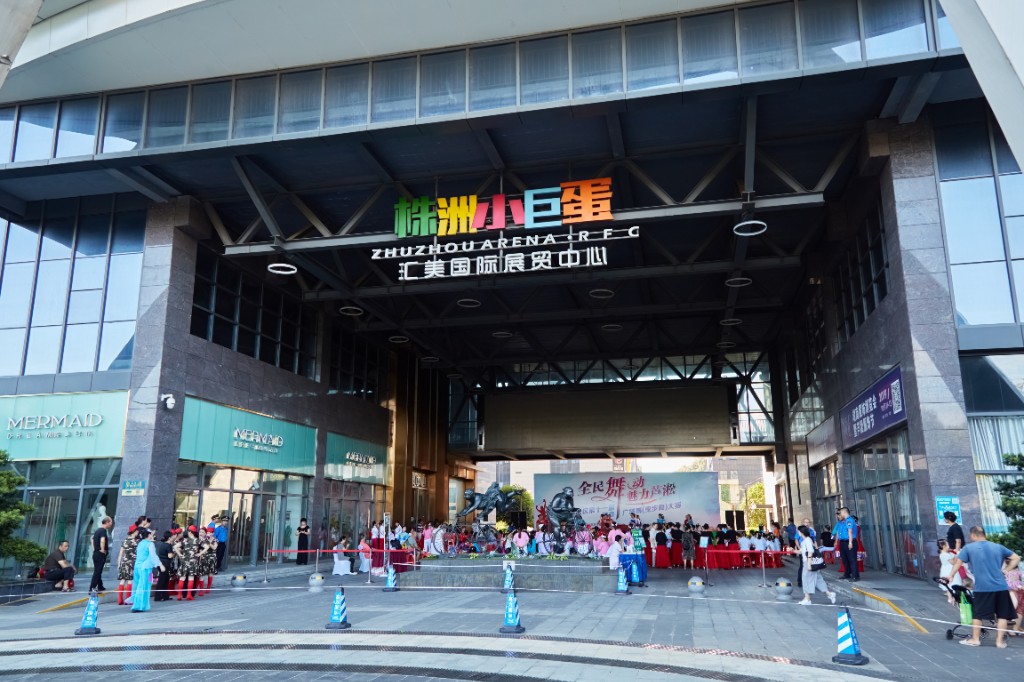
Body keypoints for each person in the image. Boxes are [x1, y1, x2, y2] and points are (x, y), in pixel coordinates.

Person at [948, 526, 1020, 648]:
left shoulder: (969, 548)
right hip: (1001, 587)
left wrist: (951, 576)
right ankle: (999, 642)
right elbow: (1016, 558)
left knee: (978, 614)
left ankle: (975, 639)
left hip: (983, 587)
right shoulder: (998, 547)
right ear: (984, 534)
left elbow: (958, 563)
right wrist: (1006, 570)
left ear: (973, 535)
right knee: (1002, 615)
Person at [127, 528, 165, 612]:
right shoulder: (150, 544)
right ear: (148, 535)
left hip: (138, 567)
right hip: (145, 568)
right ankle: (139, 606)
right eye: (151, 534)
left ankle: (139, 605)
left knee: (137, 586)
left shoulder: (140, 543)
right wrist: (160, 565)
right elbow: (153, 556)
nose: (153, 535)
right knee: (144, 586)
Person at [797, 525, 836, 606]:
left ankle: (807, 599)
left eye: (798, 531)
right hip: (812, 563)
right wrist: (794, 551)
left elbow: (810, 551)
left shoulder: (807, 540)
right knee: (818, 580)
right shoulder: (807, 540)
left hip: (808, 562)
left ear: (801, 532)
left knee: (806, 580)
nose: (798, 533)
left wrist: (808, 564)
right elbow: (803, 551)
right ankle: (829, 594)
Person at [116, 525, 140, 605]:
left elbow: (120, 554)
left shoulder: (125, 541)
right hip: (132, 563)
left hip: (124, 562)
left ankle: (120, 600)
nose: (138, 533)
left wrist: (119, 564)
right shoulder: (135, 542)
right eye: (137, 531)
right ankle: (128, 598)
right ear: (134, 532)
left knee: (122, 580)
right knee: (130, 581)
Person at [89, 516, 112, 593]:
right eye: (110, 522)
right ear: (107, 522)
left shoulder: (97, 530)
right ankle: (92, 588)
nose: (111, 524)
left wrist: (95, 549)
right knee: (97, 571)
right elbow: (102, 540)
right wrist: (102, 549)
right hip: (100, 554)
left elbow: (92, 540)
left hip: (96, 553)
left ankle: (100, 586)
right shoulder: (103, 531)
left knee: (97, 570)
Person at [835, 507, 859, 582]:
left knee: (852, 559)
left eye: (840, 513)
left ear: (844, 512)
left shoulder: (849, 520)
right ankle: (847, 573)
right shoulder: (840, 522)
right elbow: (838, 532)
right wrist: (836, 541)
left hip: (849, 541)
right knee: (845, 559)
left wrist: (850, 542)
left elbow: (850, 531)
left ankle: (855, 576)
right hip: (842, 542)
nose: (840, 514)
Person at [153, 531, 175, 602]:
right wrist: (174, 553)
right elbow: (170, 556)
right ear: (169, 538)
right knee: (163, 581)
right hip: (165, 564)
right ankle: (158, 596)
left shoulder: (162, 544)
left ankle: (165, 596)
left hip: (161, 563)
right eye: (172, 536)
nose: (173, 537)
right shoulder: (168, 545)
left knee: (164, 580)